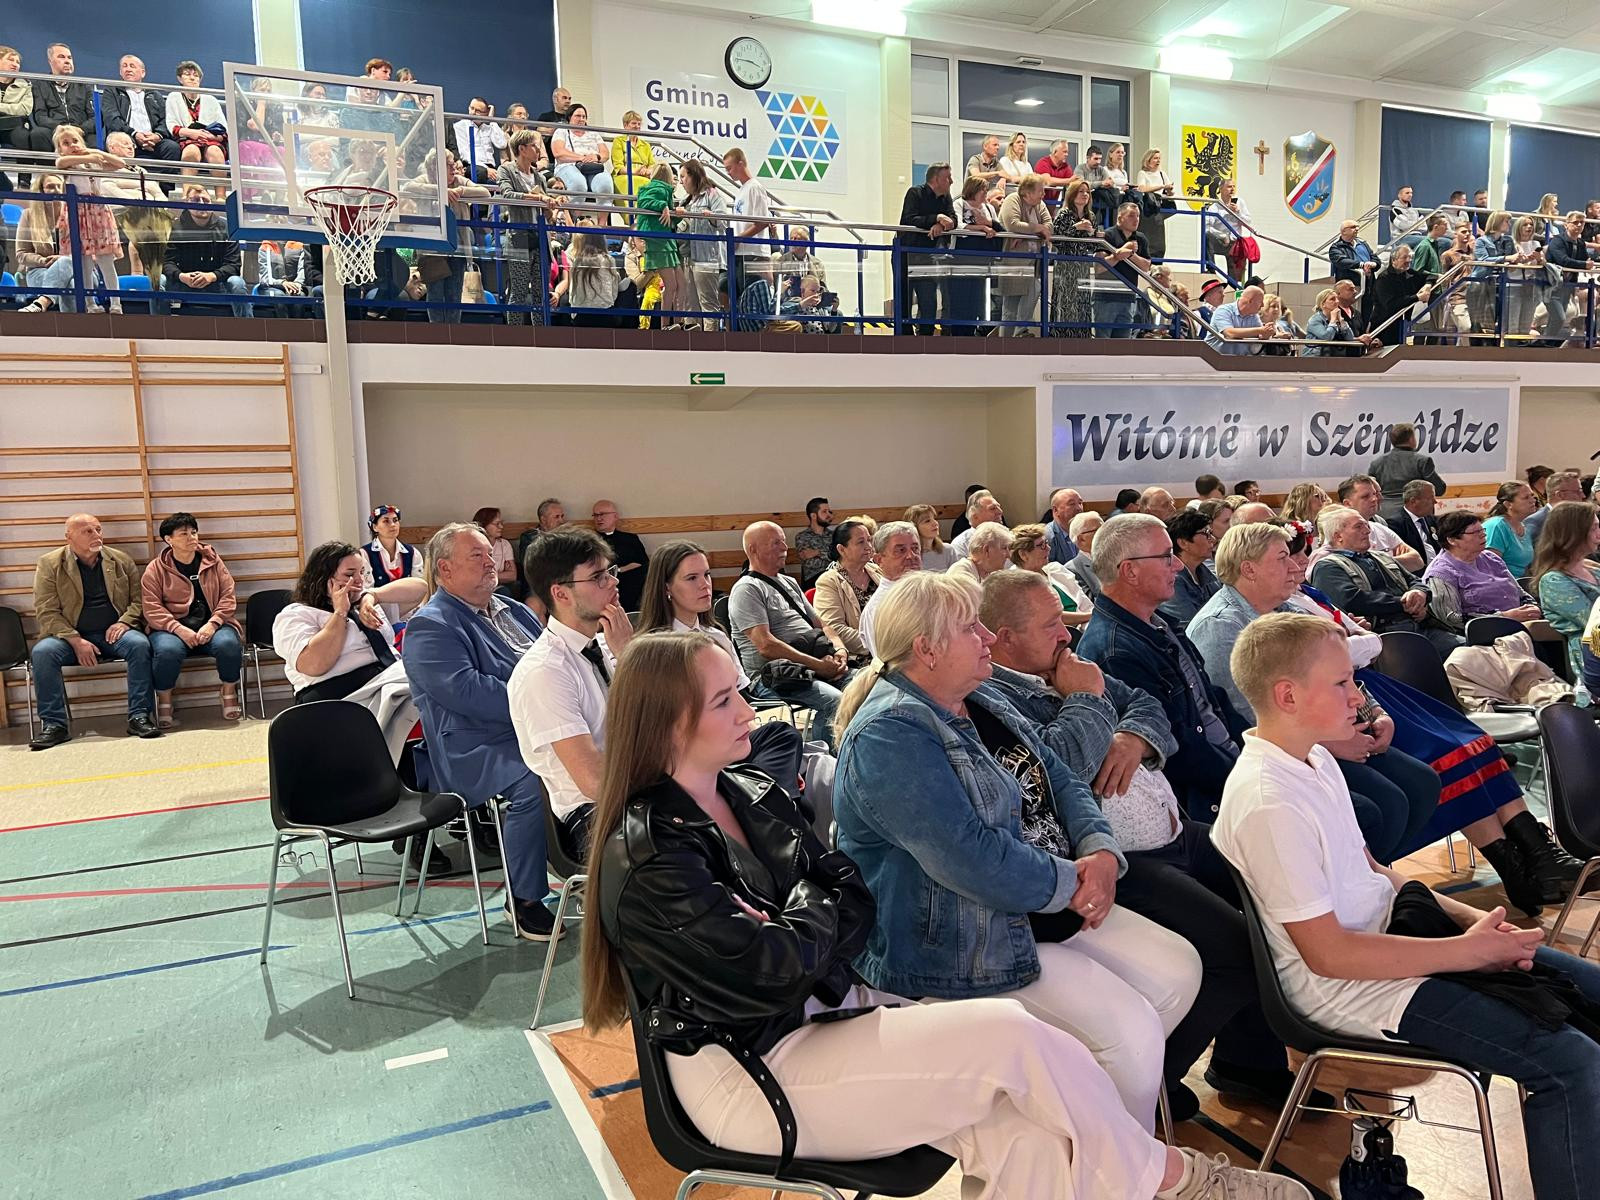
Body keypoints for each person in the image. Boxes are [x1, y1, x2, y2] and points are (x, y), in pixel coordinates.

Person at [583, 632, 1303, 1200]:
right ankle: (1167, 1178)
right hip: (746, 1071)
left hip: (825, 1017)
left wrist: (801, 916)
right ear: (666, 723)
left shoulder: (747, 792)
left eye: (739, 692)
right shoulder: (647, 854)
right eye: (723, 702)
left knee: (1029, 1131)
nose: (747, 710)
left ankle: (1149, 1176)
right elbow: (769, 971)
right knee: (1010, 1035)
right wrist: (811, 912)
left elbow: (849, 896)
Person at [1213, 612, 1600, 1200]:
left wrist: (1470, 920)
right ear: (1288, 695)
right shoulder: (1270, 802)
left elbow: (1373, 870)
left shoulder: (1315, 758)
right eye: (1342, 682)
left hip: (1398, 943)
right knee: (1570, 1065)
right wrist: (1465, 953)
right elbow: (1328, 955)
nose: (1357, 695)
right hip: (1355, 988)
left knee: (1590, 994)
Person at [832, 572, 1203, 1130]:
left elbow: (1060, 776)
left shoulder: (975, 696)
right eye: (970, 627)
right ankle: (1116, 1159)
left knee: (1179, 972)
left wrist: (1101, 849)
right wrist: (1075, 883)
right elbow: (971, 858)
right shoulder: (890, 734)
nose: (987, 636)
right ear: (927, 649)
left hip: (1037, 901)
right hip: (961, 938)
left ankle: (1075, 1123)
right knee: (1128, 1037)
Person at [980, 571, 1315, 1121]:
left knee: (1274, 889)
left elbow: (1146, 704)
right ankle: (1147, 1086)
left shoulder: (1067, 667)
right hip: (1121, 859)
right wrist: (1086, 700)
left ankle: (1248, 1061)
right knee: (1232, 951)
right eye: (1050, 625)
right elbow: (1058, 768)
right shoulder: (995, 698)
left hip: (1174, 828)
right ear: (1003, 639)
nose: (1066, 633)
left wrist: (1133, 737)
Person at [1187, 524, 1439, 865]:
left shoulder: (1285, 610)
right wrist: (1327, 744)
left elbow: (1340, 669)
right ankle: (1355, 880)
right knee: (1385, 806)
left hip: (1326, 730)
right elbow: (1245, 712)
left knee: (1422, 784)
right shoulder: (1221, 626)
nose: (1295, 567)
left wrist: (1376, 712)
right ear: (1249, 569)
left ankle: (1368, 876)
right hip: (1287, 749)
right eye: (1282, 558)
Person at [402, 523, 555, 936]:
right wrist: (544, 705)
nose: (491, 562)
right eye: (477, 556)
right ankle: (524, 899)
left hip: (529, 726)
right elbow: (469, 693)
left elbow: (553, 663)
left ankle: (586, 865)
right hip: (473, 746)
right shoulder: (430, 626)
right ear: (445, 569)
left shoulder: (515, 611)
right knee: (536, 780)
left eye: (490, 554)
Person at [1074, 514, 1248, 819]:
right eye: (1167, 556)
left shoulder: (1158, 622)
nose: (1178, 565)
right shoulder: (1115, 651)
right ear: (1130, 571)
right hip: (1206, 799)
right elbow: (1179, 749)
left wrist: (1261, 748)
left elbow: (1212, 698)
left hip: (1231, 764)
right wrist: (1246, 778)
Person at [508, 526, 633, 864]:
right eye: (598, 577)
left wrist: (628, 656)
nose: (613, 582)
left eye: (611, 571)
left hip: (634, 790)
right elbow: (594, 781)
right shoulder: (546, 671)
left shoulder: (608, 644)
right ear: (561, 594)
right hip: (594, 813)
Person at [28, 514, 158, 750]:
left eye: (98, 529)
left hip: (114, 634)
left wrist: (125, 622)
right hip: (67, 637)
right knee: (42, 653)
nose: (96, 535)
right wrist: (76, 640)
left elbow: (138, 602)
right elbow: (46, 611)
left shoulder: (120, 560)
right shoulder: (50, 563)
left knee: (139, 645)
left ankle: (139, 716)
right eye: (87, 531)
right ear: (69, 537)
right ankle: (54, 725)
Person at [728, 521, 851, 747]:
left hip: (811, 665)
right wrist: (818, 666)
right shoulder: (747, 589)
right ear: (753, 549)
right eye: (776, 543)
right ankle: (826, 761)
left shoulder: (789, 582)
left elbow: (823, 625)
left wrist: (840, 650)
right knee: (835, 702)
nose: (785, 547)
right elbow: (766, 646)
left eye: (783, 541)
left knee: (867, 685)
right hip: (773, 677)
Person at [273, 541, 423, 702]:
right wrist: (340, 612)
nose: (359, 580)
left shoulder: (365, 604)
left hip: (390, 678)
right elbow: (314, 665)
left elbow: (420, 589)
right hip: (343, 692)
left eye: (362, 572)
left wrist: (372, 596)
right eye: (350, 575)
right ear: (324, 579)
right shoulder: (296, 615)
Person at [1310, 506, 1462, 657]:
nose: (1367, 531)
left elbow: (1415, 581)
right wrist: (1403, 603)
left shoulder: (1381, 556)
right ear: (1338, 536)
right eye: (1358, 527)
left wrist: (1419, 593)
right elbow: (1351, 600)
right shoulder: (1327, 567)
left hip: (1419, 627)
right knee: (1458, 656)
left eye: (1366, 525)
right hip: (1384, 637)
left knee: (1468, 649)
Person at [141, 512, 243, 725]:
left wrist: (213, 624)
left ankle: (228, 691)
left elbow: (228, 595)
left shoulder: (213, 561)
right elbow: (152, 608)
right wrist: (178, 629)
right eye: (184, 534)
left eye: (194, 532)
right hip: (171, 629)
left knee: (228, 644)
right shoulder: (155, 569)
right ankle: (165, 699)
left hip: (213, 624)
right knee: (167, 651)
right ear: (168, 539)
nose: (192, 538)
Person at [1422, 509, 1545, 635]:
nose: (1483, 535)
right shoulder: (1441, 573)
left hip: (1521, 626)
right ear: (1452, 540)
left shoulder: (1491, 558)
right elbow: (1451, 619)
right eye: (1475, 532)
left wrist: (1532, 607)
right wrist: (1504, 617)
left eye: (1482, 530)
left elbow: (1520, 593)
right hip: (1482, 635)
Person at [160, 182, 251, 317]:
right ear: (187, 203)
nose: (202, 204)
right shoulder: (174, 228)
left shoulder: (226, 227)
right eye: (196, 200)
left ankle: (247, 327)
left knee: (237, 283)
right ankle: (160, 326)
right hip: (183, 282)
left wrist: (211, 276)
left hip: (217, 283)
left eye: (206, 200)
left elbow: (234, 265)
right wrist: (181, 276)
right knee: (159, 281)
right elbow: (166, 263)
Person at [1533, 501, 1600, 682]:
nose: (1599, 533)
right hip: (1592, 656)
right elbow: (1593, 623)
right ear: (1574, 533)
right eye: (1594, 528)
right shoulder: (1553, 581)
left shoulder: (1594, 570)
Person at [495, 130, 551, 327]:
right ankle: (514, 334)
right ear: (522, 149)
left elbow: (546, 212)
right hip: (519, 236)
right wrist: (538, 198)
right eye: (534, 146)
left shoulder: (540, 177)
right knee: (518, 291)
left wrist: (551, 204)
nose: (538, 150)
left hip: (540, 236)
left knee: (540, 293)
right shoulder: (506, 170)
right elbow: (508, 195)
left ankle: (542, 333)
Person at [896, 161, 956, 334]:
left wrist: (940, 225)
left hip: (927, 257)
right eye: (948, 177)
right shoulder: (915, 193)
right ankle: (904, 341)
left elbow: (953, 219)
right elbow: (908, 219)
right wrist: (936, 218)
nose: (951, 181)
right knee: (904, 301)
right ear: (936, 179)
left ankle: (926, 340)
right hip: (906, 254)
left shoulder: (946, 197)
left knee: (929, 302)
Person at [811, 520, 880, 661]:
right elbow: (835, 629)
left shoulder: (878, 571)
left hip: (892, 649)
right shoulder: (828, 581)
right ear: (842, 549)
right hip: (861, 656)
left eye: (869, 540)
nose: (869, 546)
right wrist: (881, 643)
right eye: (861, 542)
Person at [674, 159, 728, 329]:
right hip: (687, 259)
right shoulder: (686, 201)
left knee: (708, 305)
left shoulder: (712, 195)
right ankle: (692, 341)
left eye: (683, 177)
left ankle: (711, 342)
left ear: (693, 176)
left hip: (706, 259)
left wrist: (711, 217)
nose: (681, 182)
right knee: (690, 306)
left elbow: (723, 223)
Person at [855, 521, 922, 657]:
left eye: (915, 549)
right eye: (901, 550)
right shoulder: (878, 608)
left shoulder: (928, 592)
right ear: (879, 560)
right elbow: (887, 661)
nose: (911, 556)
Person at [996, 175, 1051, 335]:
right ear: (1028, 192)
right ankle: (1005, 343)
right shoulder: (1012, 199)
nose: (1043, 194)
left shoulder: (1040, 205)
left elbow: (1049, 225)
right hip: (1013, 263)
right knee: (1010, 308)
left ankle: (1021, 330)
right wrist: (1037, 229)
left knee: (1035, 289)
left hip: (1034, 264)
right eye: (1040, 191)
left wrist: (1026, 233)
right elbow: (1012, 224)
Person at [1335, 473, 1424, 572]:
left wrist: (1376, 563)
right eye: (1365, 496)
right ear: (1347, 504)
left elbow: (1417, 561)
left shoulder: (1380, 529)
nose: (1374, 499)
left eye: (1374, 494)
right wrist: (1390, 562)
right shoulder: (1339, 535)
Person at [1008, 524, 1091, 627]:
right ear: (1023, 555)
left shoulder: (1056, 569)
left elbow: (1085, 603)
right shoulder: (1016, 584)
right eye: (1041, 545)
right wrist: (1090, 616)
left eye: (1046, 543)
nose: (1048, 548)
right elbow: (1051, 617)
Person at [105, 54, 181, 164]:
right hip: (127, 136)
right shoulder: (112, 92)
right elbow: (111, 117)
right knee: (120, 145)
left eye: (132, 66)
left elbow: (166, 119)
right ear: (121, 72)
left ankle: (161, 177)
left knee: (172, 148)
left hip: (153, 139)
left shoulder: (155, 95)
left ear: (143, 72)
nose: (128, 69)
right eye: (124, 66)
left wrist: (157, 135)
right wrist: (134, 134)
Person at [723, 147, 775, 297]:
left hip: (753, 253)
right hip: (743, 252)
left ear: (740, 164)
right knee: (741, 299)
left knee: (753, 300)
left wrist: (739, 238)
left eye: (730, 168)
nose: (728, 172)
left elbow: (762, 222)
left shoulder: (755, 188)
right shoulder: (742, 190)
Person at [1367, 421, 1446, 522]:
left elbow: (1370, 491)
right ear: (1411, 439)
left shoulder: (1376, 463)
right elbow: (1439, 489)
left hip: (1383, 515)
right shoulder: (1422, 461)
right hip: (1414, 515)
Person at [1050, 179, 1099, 337]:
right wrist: (1075, 227)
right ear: (1072, 194)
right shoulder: (1064, 214)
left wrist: (1092, 234)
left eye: (1087, 192)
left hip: (1082, 264)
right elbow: (1056, 239)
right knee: (1065, 300)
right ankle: (1062, 336)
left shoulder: (1091, 216)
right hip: (1066, 264)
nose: (1085, 195)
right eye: (1081, 191)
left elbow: (1093, 247)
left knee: (1082, 301)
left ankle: (1082, 336)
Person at [27, 44, 92, 156]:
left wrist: (80, 129)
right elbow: (40, 116)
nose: (67, 61)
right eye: (61, 57)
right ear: (50, 61)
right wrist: (60, 128)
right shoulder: (39, 85)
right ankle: (47, 168)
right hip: (54, 130)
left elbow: (94, 117)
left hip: (80, 130)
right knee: (38, 134)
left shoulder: (84, 86)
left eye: (69, 58)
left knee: (95, 140)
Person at [1159, 510, 1219, 629]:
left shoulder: (1204, 572)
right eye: (1206, 533)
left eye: (1211, 533)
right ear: (1183, 543)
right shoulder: (1172, 581)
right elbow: (1190, 628)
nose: (1213, 539)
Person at [164, 61, 228, 173]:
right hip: (187, 139)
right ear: (180, 79)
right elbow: (172, 125)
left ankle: (221, 185)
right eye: (187, 74)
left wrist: (211, 136)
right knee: (191, 152)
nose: (192, 78)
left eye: (196, 75)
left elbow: (224, 130)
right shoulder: (174, 97)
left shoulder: (211, 99)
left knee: (215, 152)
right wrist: (192, 133)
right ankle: (188, 185)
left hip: (210, 139)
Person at [1098, 202, 1150, 338]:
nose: (1136, 219)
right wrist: (1121, 252)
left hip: (1128, 297)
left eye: (1138, 216)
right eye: (1131, 216)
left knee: (1123, 343)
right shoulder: (1107, 235)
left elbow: (1146, 266)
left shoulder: (1141, 239)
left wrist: (1130, 254)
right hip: (1105, 297)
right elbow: (1099, 267)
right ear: (1120, 218)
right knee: (1102, 341)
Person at [1368, 243, 1434, 346]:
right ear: (1394, 260)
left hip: (1402, 323)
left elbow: (1431, 276)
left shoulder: (1410, 274)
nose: (1408, 260)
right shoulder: (1384, 278)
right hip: (1384, 325)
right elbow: (1391, 304)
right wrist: (1417, 297)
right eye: (1404, 257)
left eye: (1410, 257)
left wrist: (1427, 285)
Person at [590, 499, 649, 613]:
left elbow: (642, 563)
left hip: (629, 586)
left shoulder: (630, 539)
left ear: (615, 516)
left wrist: (620, 570)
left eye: (602, 514)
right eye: (595, 515)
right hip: (601, 586)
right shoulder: (590, 540)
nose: (599, 518)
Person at [549, 102, 612, 201]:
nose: (581, 119)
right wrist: (582, 158)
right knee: (578, 185)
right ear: (569, 117)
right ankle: (575, 211)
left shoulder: (593, 133)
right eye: (578, 116)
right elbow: (558, 153)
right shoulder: (561, 131)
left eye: (584, 116)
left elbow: (605, 154)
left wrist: (597, 157)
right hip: (568, 165)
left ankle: (604, 211)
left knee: (605, 186)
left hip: (593, 166)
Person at [1482, 479, 1540, 580]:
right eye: (1526, 497)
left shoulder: (1523, 526)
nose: (1533, 500)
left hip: (1520, 583)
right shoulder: (1496, 526)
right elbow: (1490, 568)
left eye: (1532, 496)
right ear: (1508, 504)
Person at [1204, 285, 1282, 355]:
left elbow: (1259, 336)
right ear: (1250, 301)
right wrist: (1261, 330)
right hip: (1213, 359)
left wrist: (1266, 334)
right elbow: (1230, 333)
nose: (1262, 305)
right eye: (1260, 302)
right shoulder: (1223, 311)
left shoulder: (1254, 316)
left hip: (1240, 359)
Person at [1526, 469, 1585, 546]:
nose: (1583, 496)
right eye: (1578, 491)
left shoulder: (1578, 518)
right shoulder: (1535, 522)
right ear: (1560, 495)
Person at [1303, 287, 1366, 357]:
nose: (1337, 301)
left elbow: (1349, 337)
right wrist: (1333, 321)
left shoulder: (1337, 318)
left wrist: (1342, 321)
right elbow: (1327, 337)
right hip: (1314, 357)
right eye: (1332, 299)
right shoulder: (1315, 320)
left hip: (1332, 357)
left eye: (1337, 299)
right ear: (1323, 304)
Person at [1135, 148, 1173, 260]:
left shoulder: (1162, 174)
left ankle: (1158, 260)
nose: (1158, 161)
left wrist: (1169, 190)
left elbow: (1169, 192)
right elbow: (1142, 188)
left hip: (1158, 208)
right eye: (1155, 158)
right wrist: (1161, 186)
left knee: (1159, 240)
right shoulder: (1142, 173)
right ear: (1148, 160)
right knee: (1147, 236)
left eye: (1159, 158)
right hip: (1148, 208)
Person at [608, 109, 654, 199]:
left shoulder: (646, 145)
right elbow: (618, 167)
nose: (637, 126)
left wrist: (648, 171)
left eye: (639, 124)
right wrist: (634, 172)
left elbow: (652, 165)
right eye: (634, 123)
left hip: (644, 177)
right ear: (625, 125)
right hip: (624, 176)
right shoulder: (619, 141)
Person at [948, 490, 1006, 560]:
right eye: (992, 508)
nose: (1000, 511)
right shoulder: (961, 544)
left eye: (999, 507)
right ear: (975, 516)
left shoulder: (1009, 538)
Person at [1393, 479, 1441, 564]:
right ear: (1413, 501)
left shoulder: (1431, 519)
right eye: (1430, 498)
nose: (1435, 501)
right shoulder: (1396, 524)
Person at [472, 506, 519, 590]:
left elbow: (512, 576)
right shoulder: (473, 546)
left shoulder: (504, 544)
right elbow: (474, 576)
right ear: (484, 526)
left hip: (499, 587)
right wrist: (502, 574)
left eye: (501, 523)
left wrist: (487, 575)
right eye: (497, 524)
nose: (501, 526)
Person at [1064, 511, 1104, 604]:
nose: (1105, 533)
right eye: (1098, 530)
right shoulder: (1071, 570)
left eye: (1105, 528)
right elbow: (1089, 604)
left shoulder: (1117, 558)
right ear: (1081, 539)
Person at [794, 497, 833, 589]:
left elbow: (837, 558)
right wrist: (828, 554)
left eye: (829, 511)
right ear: (813, 516)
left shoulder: (834, 535)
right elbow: (810, 564)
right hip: (813, 582)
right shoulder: (802, 537)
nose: (829, 515)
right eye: (824, 512)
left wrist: (817, 552)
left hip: (832, 578)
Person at [905, 504, 953, 572]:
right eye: (927, 521)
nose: (935, 523)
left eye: (934, 519)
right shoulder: (909, 556)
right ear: (914, 527)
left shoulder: (948, 550)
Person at [1045, 488, 1083, 564]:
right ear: (1055, 510)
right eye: (1072, 504)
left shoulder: (1084, 532)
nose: (1079, 508)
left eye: (1080, 503)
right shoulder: (1047, 537)